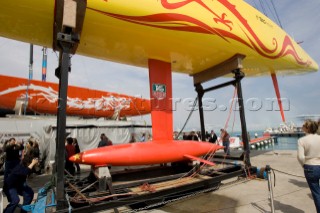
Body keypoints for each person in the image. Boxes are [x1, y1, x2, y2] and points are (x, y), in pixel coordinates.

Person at [297, 119, 320, 212]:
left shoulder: (302, 140)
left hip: (310, 167)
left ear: (307, 128)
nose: (302, 127)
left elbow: (300, 157)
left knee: (316, 193)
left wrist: (303, 165)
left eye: (303, 125)